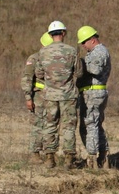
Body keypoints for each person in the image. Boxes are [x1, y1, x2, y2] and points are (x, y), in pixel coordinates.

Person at [37, 21, 82, 169]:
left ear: (50, 35)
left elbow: (38, 74)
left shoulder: (43, 52)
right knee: (69, 127)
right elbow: (79, 73)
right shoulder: (72, 51)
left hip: (50, 95)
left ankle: (50, 158)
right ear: (63, 33)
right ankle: (69, 160)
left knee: (50, 125)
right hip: (68, 95)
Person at [76, 25, 111, 169]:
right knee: (96, 126)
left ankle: (93, 160)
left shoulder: (99, 52)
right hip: (93, 92)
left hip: (93, 93)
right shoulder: (97, 52)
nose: (83, 46)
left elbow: (95, 69)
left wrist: (80, 64)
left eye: (83, 42)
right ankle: (103, 157)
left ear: (92, 40)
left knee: (89, 126)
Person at [21, 32, 53, 164]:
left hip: (51, 96)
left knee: (50, 126)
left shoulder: (53, 59)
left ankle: (49, 153)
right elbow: (27, 78)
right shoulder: (34, 58)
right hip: (38, 97)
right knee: (37, 125)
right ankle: (35, 153)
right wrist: (28, 97)